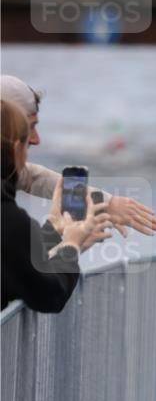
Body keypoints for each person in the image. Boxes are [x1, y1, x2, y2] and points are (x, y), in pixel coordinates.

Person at [0, 75, 156, 238]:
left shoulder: (7, 177)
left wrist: (106, 203)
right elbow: (27, 260)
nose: (36, 139)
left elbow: (31, 176)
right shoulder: (13, 220)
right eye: (29, 127)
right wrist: (63, 237)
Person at [1, 100, 111, 312]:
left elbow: (17, 262)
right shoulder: (9, 219)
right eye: (26, 145)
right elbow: (50, 295)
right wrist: (71, 246)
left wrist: (52, 229)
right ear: (16, 149)